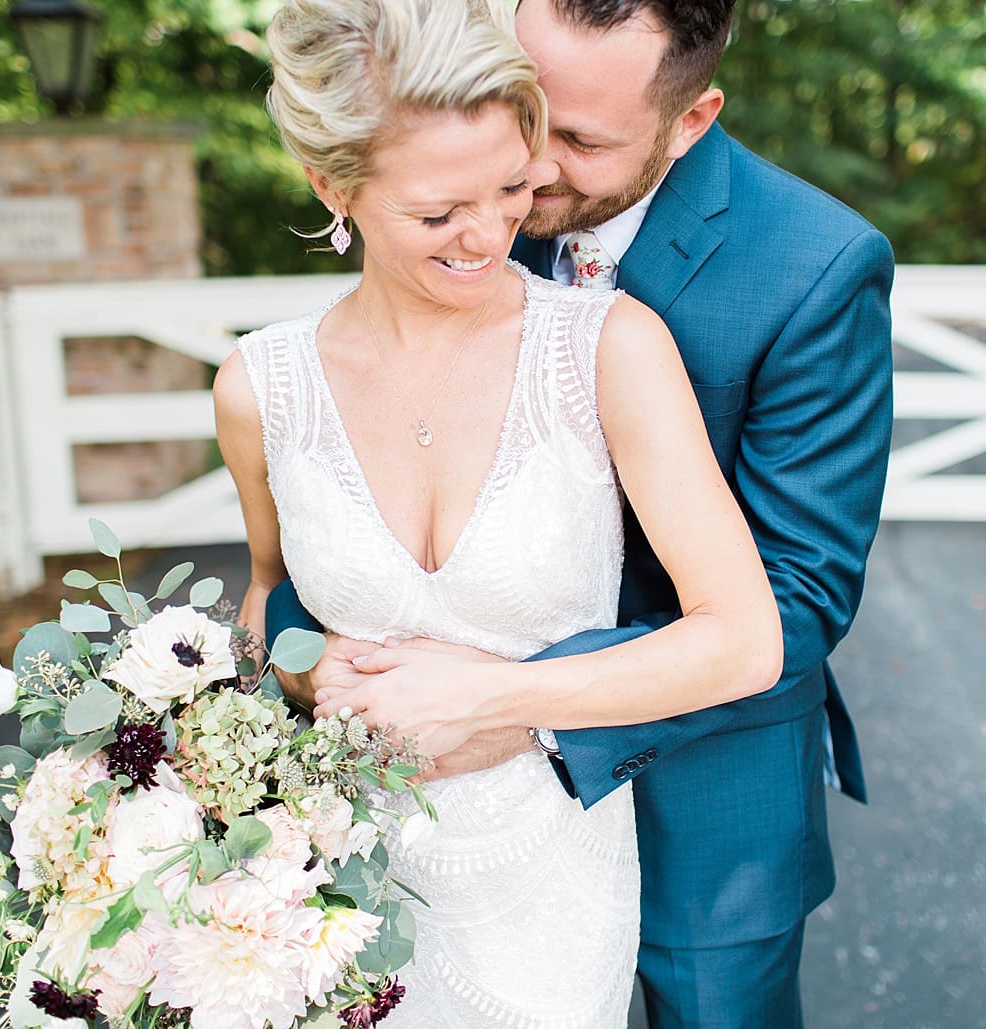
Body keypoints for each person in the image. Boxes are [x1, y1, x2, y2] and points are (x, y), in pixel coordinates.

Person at [273, 1, 896, 1025]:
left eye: (579, 140)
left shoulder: (812, 266)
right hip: (448, 815)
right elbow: (333, 480)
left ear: (689, 119)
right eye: (520, 109)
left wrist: (516, 703)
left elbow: (796, 596)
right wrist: (313, 658)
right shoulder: (463, 196)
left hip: (707, 801)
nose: (530, 168)